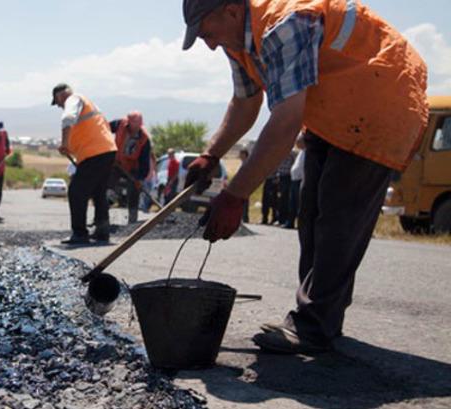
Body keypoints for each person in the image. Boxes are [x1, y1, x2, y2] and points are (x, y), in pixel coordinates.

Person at [181, 0, 427, 353]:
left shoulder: (285, 24)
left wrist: (235, 196)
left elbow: (284, 124)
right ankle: (320, 318)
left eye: (207, 33)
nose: (210, 44)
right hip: (334, 112)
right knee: (310, 217)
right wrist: (211, 154)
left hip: (380, 100)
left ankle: (313, 325)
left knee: (339, 218)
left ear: (231, 11)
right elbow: (245, 103)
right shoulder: (239, 42)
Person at [52, 83, 117, 244]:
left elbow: (68, 119)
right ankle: (102, 231)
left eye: (57, 102)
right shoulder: (89, 103)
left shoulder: (73, 99)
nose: (59, 106)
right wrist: (71, 148)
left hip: (94, 154)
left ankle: (80, 233)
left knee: (76, 191)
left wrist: (65, 143)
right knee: (98, 192)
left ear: (60, 96)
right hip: (107, 151)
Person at [109, 111, 153, 224]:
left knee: (134, 190)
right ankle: (101, 217)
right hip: (116, 163)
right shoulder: (119, 124)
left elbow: (144, 163)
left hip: (132, 168)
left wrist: (139, 178)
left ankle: (132, 220)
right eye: (133, 124)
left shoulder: (144, 139)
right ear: (128, 123)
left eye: (138, 125)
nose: (136, 127)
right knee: (108, 187)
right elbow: (104, 129)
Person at [285, 135, 306, 229]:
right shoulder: (301, 152)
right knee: (292, 203)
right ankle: (290, 222)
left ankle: (300, 224)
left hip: (300, 180)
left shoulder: (307, 152)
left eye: (299, 142)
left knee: (299, 204)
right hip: (294, 180)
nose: (297, 144)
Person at [275, 150, 297, 226]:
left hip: (287, 176)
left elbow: (294, 163)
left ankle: (285, 219)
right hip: (280, 176)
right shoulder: (280, 151)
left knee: (285, 198)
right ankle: (280, 219)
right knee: (280, 198)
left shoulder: (292, 153)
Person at [238, 147, 250, 223]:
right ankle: (242, 217)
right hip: (241, 185)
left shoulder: (247, 163)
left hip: (246, 185)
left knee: (244, 202)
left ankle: (245, 218)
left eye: (241, 154)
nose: (240, 155)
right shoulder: (243, 163)